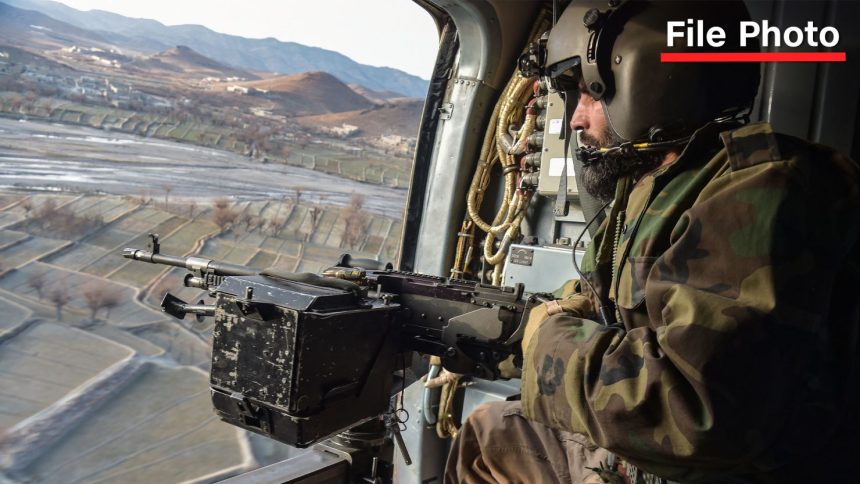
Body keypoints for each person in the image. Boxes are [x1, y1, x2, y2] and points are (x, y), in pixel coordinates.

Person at [443, 1, 860, 482]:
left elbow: (695, 411)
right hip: (660, 458)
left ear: (646, 78)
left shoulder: (762, 188)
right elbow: (608, 299)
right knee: (488, 435)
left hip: (718, 468)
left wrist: (545, 343)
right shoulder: (655, 183)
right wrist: (549, 317)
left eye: (588, 94)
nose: (577, 120)